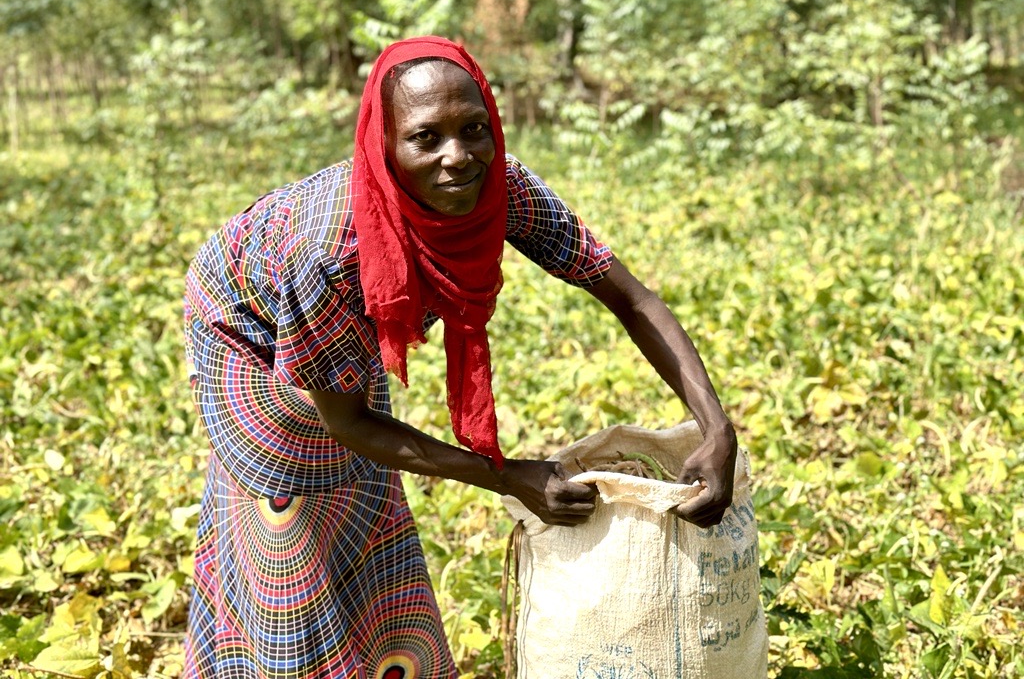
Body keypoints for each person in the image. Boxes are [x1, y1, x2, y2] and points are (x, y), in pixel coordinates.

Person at [182, 36, 737, 679]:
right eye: (425, 138)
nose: (457, 157)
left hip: (336, 329)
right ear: (385, 146)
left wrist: (715, 426)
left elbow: (630, 298)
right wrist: (507, 476)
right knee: (295, 515)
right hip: (241, 328)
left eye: (474, 128)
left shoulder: (501, 186)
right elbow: (350, 422)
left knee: (364, 498)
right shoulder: (330, 255)